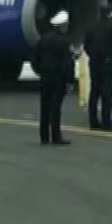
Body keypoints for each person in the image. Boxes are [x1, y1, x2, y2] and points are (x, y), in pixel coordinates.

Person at [32, 10, 76, 145]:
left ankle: (44, 136)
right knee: (55, 107)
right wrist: (69, 80)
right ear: (62, 25)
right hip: (58, 77)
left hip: (45, 76)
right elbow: (68, 63)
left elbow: (35, 59)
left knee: (44, 106)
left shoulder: (43, 39)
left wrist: (40, 71)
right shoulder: (65, 41)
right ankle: (56, 136)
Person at [83, 9, 112, 131]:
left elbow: (86, 46)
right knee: (107, 93)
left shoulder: (91, 27)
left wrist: (93, 56)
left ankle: (93, 122)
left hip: (94, 63)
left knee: (94, 92)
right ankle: (106, 122)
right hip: (108, 62)